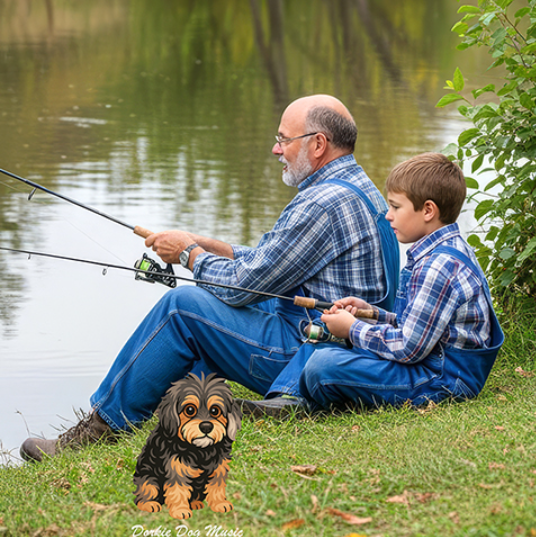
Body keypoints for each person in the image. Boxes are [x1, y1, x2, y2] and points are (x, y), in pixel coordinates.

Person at [19, 94, 397, 461]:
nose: (276, 149)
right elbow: (276, 263)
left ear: (318, 144)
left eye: (283, 139)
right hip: (341, 336)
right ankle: (181, 404)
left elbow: (241, 287)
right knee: (207, 297)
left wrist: (188, 254)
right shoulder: (358, 187)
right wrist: (205, 245)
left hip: (308, 346)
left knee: (182, 308)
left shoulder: (320, 203)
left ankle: (101, 427)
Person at [239, 153, 504, 418]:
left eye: (396, 207)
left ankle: (300, 403)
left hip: (442, 379)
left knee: (325, 364)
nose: (388, 216)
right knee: (325, 336)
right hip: (430, 362)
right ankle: (286, 401)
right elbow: (419, 325)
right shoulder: (444, 250)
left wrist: (353, 329)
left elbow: (409, 347)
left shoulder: (438, 266)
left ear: (427, 210)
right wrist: (373, 314)